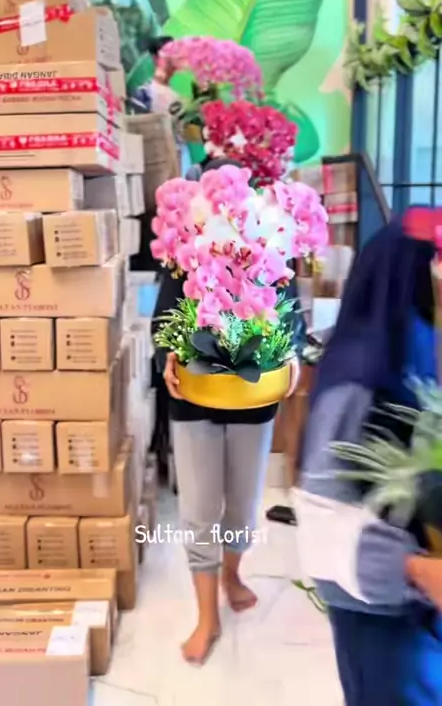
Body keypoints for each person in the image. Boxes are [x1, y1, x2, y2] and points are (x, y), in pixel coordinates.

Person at [151, 158, 305, 665]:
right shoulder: (183, 253)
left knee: (242, 505)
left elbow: (292, 318)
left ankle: (232, 575)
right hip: (193, 395)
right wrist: (167, 357)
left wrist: (293, 355)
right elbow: (163, 322)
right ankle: (206, 616)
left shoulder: (269, 247)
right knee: (199, 510)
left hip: (252, 398)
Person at [293, 218, 442, 705]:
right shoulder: (357, 381)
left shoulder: (420, 355)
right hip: (381, 623)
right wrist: (414, 569)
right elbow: (320, 525)